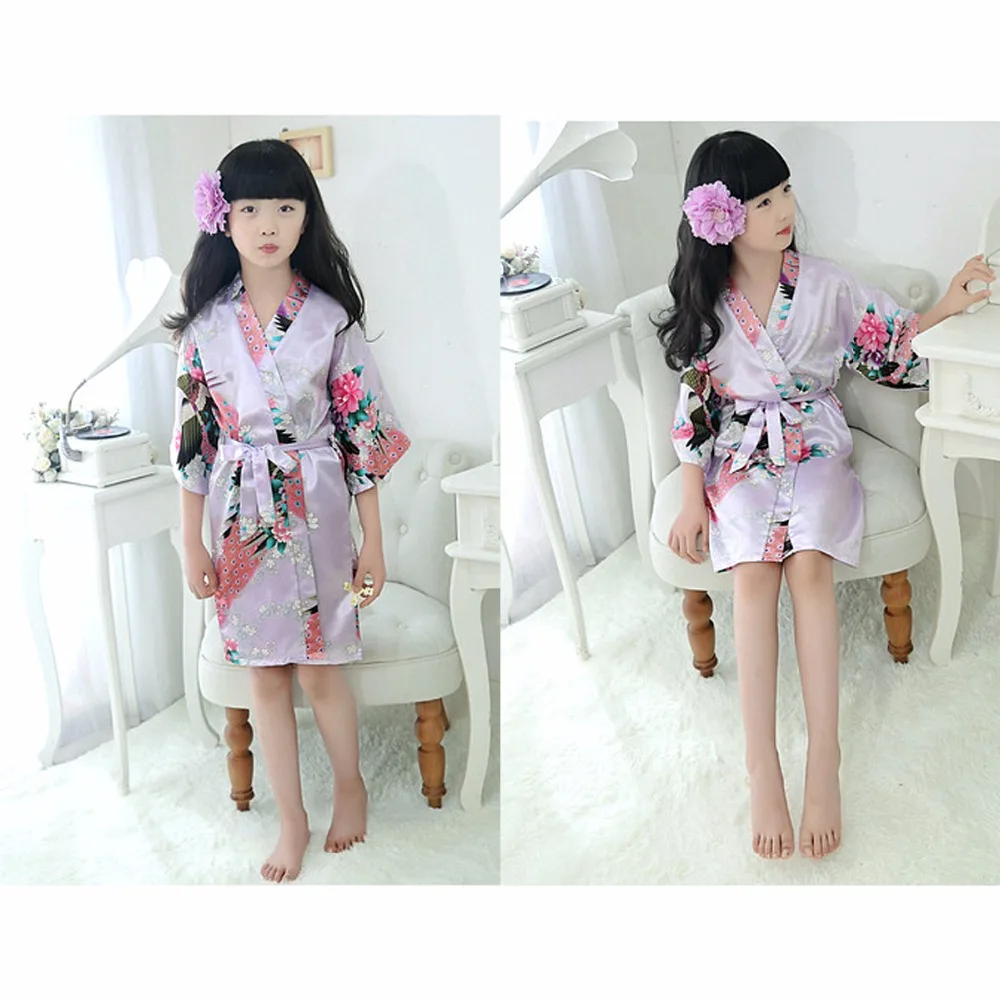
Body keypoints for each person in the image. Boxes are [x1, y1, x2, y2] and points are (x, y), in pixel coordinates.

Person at [658, 130, 994, 861]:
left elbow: (890, 345)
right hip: (739, 456)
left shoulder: (828, 283)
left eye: (785, 191)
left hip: (813, 440)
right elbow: (695, 407)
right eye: (762, 201)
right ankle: (762, 768)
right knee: (753, 573)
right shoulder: (706, 302)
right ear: (722, 218)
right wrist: (689, 496)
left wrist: (947, 303)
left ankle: (824, 761)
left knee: (808, 565)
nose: (784, 209)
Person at [167, 139, 411, 882]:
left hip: (320, 508)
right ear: (223, 218)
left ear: (307, 215)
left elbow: (362, 434)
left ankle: (350, 787)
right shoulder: (205, 328)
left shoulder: (332, 319)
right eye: (249, 208)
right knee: (264, 677)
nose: (267, 223)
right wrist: (191, 542)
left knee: (320, 670)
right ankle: (292, 820)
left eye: (284, 206)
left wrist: (374, 542)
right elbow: (194, 443)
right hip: (240, 516)